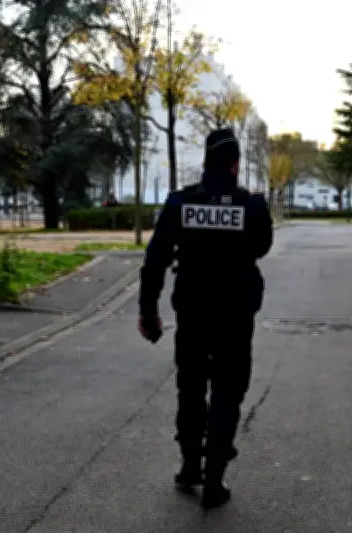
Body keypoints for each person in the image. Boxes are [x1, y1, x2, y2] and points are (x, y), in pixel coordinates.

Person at [137, 127, 274, 510]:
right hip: (235, 315)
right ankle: (215, 480)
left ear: (206, 162)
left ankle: (188, 466)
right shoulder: (252, 206)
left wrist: (148, 309)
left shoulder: (181, 203)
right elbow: (261, 247)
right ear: (235, 164)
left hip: (193, 313)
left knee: (192, 388)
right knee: (229, 390)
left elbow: (156, 259)